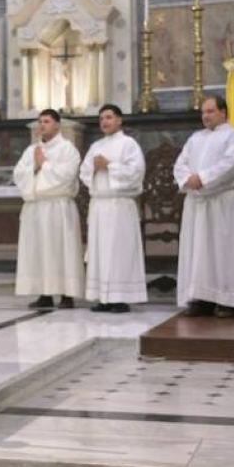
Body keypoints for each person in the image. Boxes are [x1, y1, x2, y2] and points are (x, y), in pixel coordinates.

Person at [173, 95, 234, 318]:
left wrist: (203, 178)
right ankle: (201, 298)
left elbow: (231, 165)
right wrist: (188, 179)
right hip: (197, 202)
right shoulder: (195, 138)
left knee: (222, 249)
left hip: (221, 202)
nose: (205, 116)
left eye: (210, 111)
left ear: (223, 112)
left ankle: (227, 300)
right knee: (198, 250)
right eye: (203, 112)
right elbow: (180, 163)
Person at [13, 108, 84, 309]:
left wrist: (44, 165)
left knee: (61, 250)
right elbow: (19, 174)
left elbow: (67, 176)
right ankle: (44, 293)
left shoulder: (67, 149)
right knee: (39, 250)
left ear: (57, 124)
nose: (41, 125)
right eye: (40, 122)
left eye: (46, 121)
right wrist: (34, 167)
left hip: (58, 207)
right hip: (36, 207)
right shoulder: (31, 150)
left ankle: (66, 294)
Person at [79, 104, 147, 313]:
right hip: (100, 205)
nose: (104, 122)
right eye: (101, 119)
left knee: (119, 252)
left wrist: (110, 166)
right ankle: (103, 297)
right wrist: (93, 168)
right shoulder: (96, 145)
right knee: (101, 252)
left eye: (109, 117)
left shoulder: (129, 144)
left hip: (119, 205)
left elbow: (136, 173)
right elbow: (83, 172)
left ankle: (120, 298)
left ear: (119, 120)